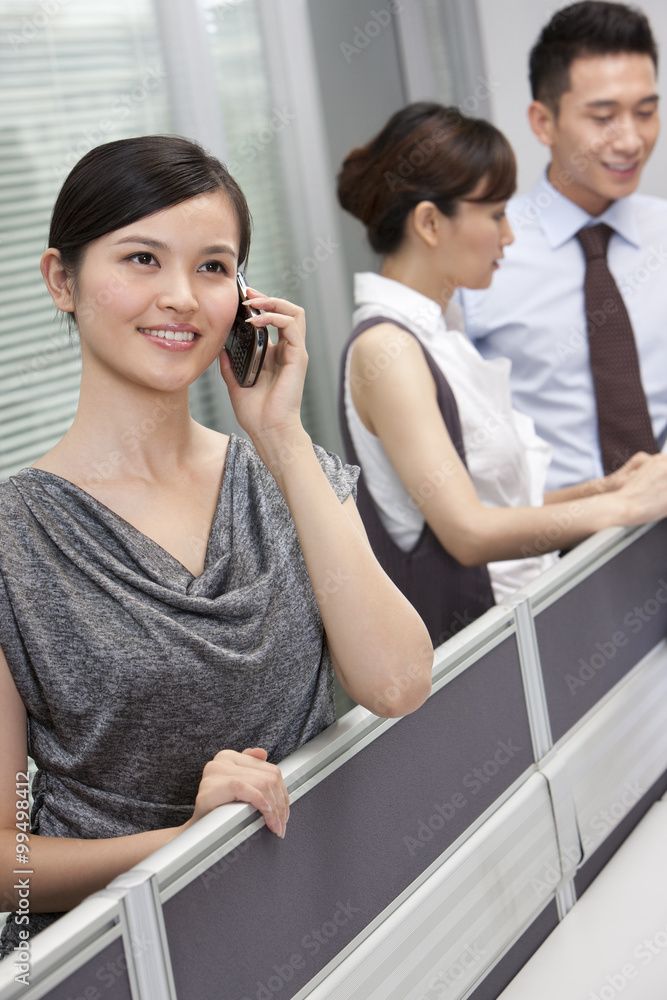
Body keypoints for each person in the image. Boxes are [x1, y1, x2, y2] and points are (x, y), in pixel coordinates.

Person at [0, 135, 433, 958]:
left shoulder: (285, 474)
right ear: (62, 280)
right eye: (140, 259)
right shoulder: (15, 540)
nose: (181, 299)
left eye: (211, 267)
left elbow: (398, 682)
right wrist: (191, 844)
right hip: (119, 958)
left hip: (317, 922)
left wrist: (280, 436)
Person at [337, 101, 667, 646]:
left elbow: (503, 510)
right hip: (480, 666)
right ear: (429, 222)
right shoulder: (386, 349)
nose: (509, 237)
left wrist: (606, 487)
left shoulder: (440, 334)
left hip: (526, 635)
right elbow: (467, 532)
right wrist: (623, 506)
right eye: (495, 215)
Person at [460, 0, 667, 491]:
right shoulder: (481, 253)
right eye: (603, 117)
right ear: (543, 122)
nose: (631, 140)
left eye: (645, 112)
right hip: (560, 549)